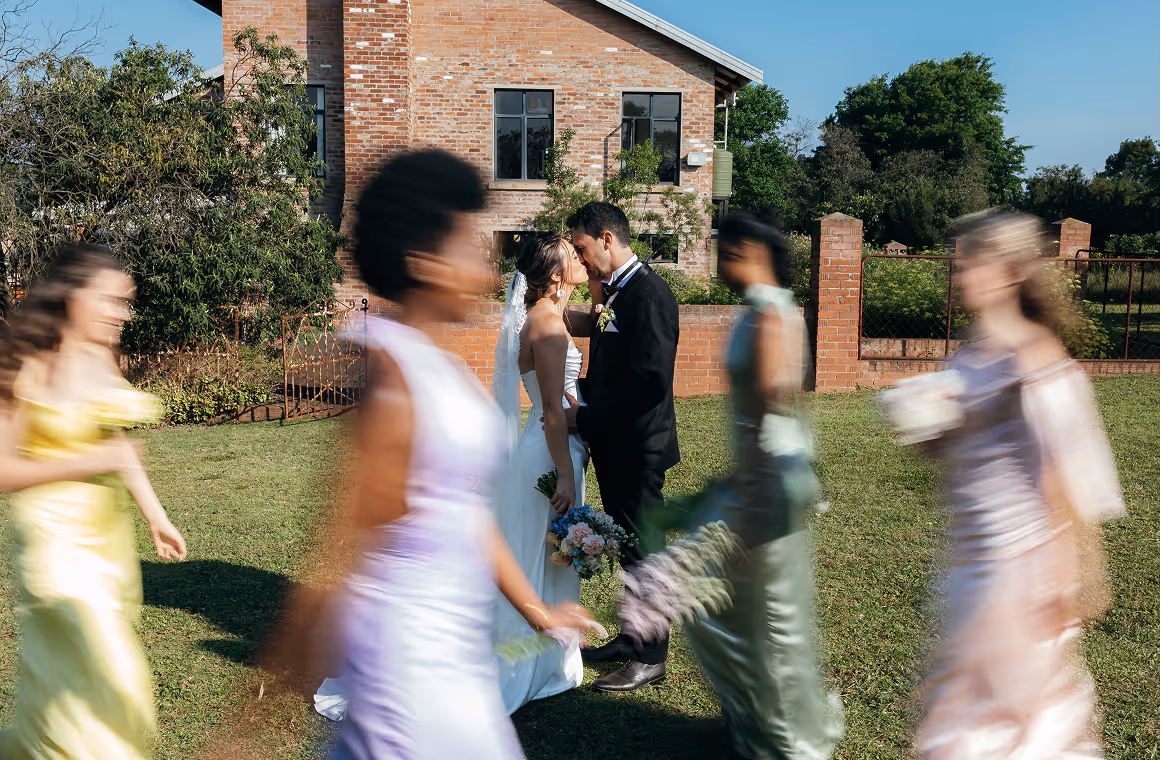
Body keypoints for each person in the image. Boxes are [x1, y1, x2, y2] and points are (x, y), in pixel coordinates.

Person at [293, 150, 598, 759]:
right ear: (423, 262)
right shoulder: (391, 369)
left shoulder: (445, 368)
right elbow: (342, 544)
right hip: (408, 652)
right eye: (468, 242)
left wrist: (538, 610)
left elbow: (465, 515)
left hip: (451, 653)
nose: (486, 266)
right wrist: (249, 722)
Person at [620, 210, 844, 758]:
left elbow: (770, 414)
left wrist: (744, 492)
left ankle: (786, 741)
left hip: (767, 482)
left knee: (766, 619)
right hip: (749, 477)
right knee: (732, 616)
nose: (719, 263)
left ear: (750, 253)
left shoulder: (771, 315)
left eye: (724, 251)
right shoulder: (756, 312)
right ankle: (747, 721)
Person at [903, 212, 1123, 759]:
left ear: (1006, 273)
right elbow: (959, 451)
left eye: (968, 263)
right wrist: (930, 425)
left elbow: (1067, 479)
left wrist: (1077, 575)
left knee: (1003, 730)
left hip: (1016, 573)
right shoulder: (975, 352)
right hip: (965, 568)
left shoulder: (1035, 358)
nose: (957, 274)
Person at [0, 244, 188, 760]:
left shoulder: (104, 360)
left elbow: (121, 451)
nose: (119, 313)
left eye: (124, 302)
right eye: (108, 300)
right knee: (116, 677)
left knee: (75, 684)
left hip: (106, 545)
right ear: (71, 296)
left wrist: (157, 516)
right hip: (52, 545)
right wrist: (85, 462)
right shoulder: (24, 364)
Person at [564, 200, 680, 692]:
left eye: (582, 247)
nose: (581, 257)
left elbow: (649, 383)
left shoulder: (649, 295)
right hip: (615, 440)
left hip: (637, 446)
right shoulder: (618, 291)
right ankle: (632, 639)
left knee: (646, 549)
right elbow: (612, 366)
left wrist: (584, 416)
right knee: (629, 547)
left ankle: (650, 657)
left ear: (606, 239)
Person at [492, 232, 592, 713]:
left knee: (550, 551)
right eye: (573, 256)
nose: (580, 258)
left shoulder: (549, 314)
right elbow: (551, 407)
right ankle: (529, 662)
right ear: (554, 275)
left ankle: (553, 654)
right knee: (540, 552)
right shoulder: (546, 322)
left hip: (558, 446)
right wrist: (566, 476)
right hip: (551, 453)